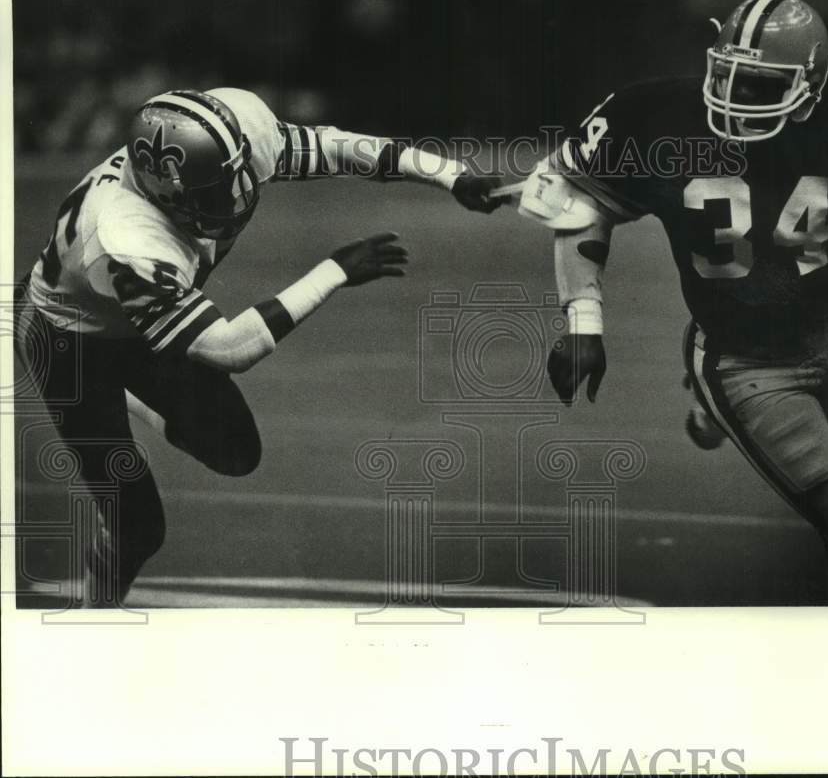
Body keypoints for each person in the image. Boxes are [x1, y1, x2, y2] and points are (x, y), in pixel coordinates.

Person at [516, 0, 828, 602]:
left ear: (813, 84)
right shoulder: (654, 114)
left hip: (827, 333)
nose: (734, 98)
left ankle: (715, 416)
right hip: (742, 360)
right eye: (725, 74)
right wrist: (583, 321)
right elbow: (577, 203)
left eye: (761, 85)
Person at [16, 87, 499, 606]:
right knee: (139, 527)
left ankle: (128, 401)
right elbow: (226, 348)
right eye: (209, 191)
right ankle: (94, 619)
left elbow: (334, 148)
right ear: (164, 192)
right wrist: (333, 270)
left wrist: (450, 174)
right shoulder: (126, 238)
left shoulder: (232, 131)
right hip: (68, 344)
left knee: (236, 451)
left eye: (228, 177)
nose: (232, 197)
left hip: (133, 320)